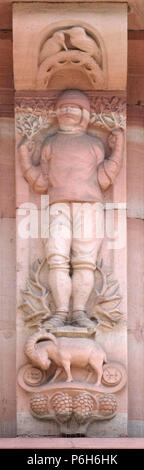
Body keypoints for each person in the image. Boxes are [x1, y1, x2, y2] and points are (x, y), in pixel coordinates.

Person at [19, 89, 124, 328]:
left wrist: (119, 147)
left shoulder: (94, 144)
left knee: (85, 262)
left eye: (73, 107)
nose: (67, 111)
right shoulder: (50, 143)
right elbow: (40, 181)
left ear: (84, 114)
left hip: (89, 208)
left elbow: (105, 178)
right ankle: (60, 312)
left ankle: (79, 312)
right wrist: (24, 157)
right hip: (58, 207)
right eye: (64, 107)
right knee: (56, 259)